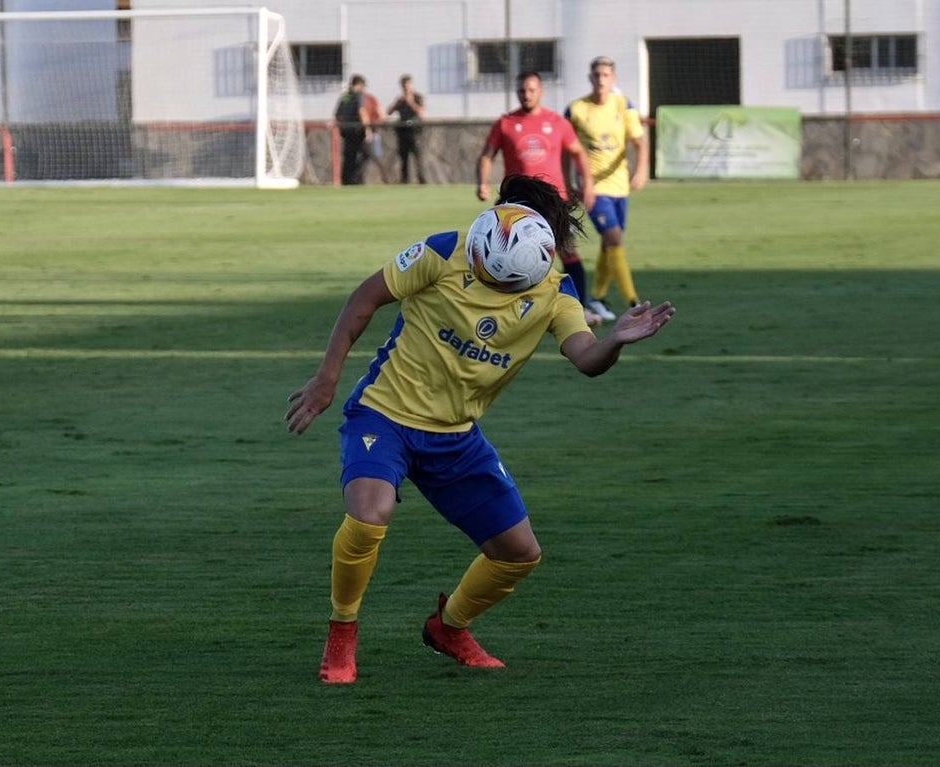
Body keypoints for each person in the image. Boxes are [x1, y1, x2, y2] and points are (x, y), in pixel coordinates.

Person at [285, 174, 675, 684]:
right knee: (369, 514)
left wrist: (616, 340)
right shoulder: (445, 250)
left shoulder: (557, 292)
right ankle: (342, 633)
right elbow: (363, 300)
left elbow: (585, 358)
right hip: (384, 414)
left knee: (519, 553)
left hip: (455, 437)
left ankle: (449, 627)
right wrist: (325, 379)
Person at [477, 70, 602, 327]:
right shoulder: (506, 123)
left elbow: (578, 153)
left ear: (541, 91)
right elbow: (487, 155)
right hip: (516, 205)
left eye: (531, 90)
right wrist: (483, 182)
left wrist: (587, 185)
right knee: (510, 256)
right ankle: (505, 310)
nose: (526, 95)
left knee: (568, 253)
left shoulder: (557, 122)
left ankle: (578, 307)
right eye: (522, 90)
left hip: (554, 202)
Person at [565, 55, 650, 321]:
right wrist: (569, 182)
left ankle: (598, 297)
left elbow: (639, 142)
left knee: (608, 245)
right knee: (614, 239)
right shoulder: (577, 109)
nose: (601, 80)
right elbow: (565, 147)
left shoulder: (624, 105)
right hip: (594, 188)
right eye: (596, 75)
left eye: (605, 75)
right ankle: (633, 302)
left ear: (613, 79)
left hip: (620, 186)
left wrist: (641, 170)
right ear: (590, 78)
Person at [334, 74, 373, 186]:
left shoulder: (345, 97)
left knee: (349, 156)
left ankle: (346, 179)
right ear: (360, 85)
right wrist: (367, 129)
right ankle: (357, 178)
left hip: (346, 130)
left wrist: (342, 127)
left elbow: (337, 114)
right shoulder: (359, 96)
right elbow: (362, 112)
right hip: (357, 130)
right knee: (366, 154)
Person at [387, 74, 427, 184]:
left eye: (408, 85)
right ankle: (404, 180)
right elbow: (389, 112)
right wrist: (397, 104)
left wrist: (411, 102)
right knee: (403, 158)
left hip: (415, 131)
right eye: (404, 86)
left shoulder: (418, 97)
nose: (406, 88)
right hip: (403, 131)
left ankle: (421, 179)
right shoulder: (400, 100)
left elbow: (421, 113)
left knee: (418, 157)